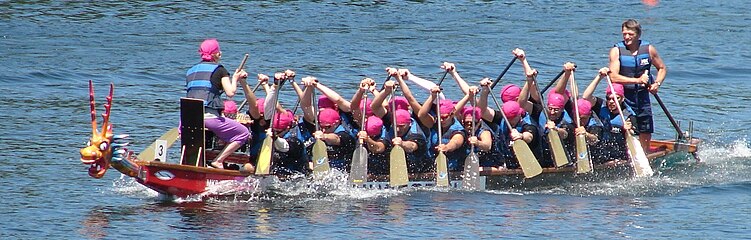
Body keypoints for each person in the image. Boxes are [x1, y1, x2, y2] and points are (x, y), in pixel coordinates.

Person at [185, 38, 250, 169]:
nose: (220, 53)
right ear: (215, 54)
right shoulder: (220, 70)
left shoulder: (190, 71)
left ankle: (192, 163)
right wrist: (236, 78)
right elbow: (230, 92)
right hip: (209, 118)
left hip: (188, 119)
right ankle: (218, 161)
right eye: (218, 50)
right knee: (243, 133)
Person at [608, 18, 668, 152]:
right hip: (623, 97)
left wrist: (657, 84)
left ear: (638, 35)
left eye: (630, 34)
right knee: (626, 127)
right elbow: (613, 77)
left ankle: (645, 155)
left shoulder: (649, 49)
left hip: (642, 96)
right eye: (624, 34)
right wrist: (638, 80)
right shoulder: (616, 51)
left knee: (645, 130)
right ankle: (625, 154)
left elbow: (662, 68)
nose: (627, 37)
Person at [582, 71, 637, 163]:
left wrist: (629, 130)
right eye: (609, 98)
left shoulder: (628, 115)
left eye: (616, 98)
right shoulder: (601, 106)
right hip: (600, 151)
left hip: (619, 155)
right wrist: (599, 77)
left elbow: (635, 134)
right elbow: (586, 97)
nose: (611, 101)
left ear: (622, 99)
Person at [269, 109, 310, 175]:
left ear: (287, 128)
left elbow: (284, 146)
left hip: (296, 177)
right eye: (275, 131)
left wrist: (275, 137)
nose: (277, 134)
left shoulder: (295, 141)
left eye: (278, 132)